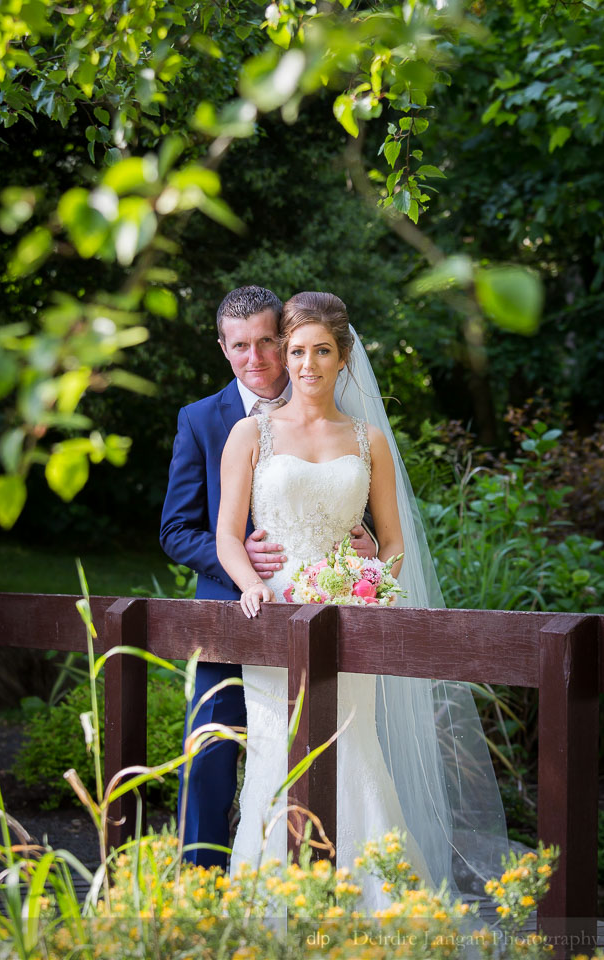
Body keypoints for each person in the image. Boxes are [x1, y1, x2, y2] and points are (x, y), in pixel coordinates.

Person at [216, 291, 508, 909]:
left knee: (355, 749)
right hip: (272, 623)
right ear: (284, 356)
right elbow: (225, 534)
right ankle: (270, 912)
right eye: (296, 351)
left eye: (322, 351)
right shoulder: (251, 434)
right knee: (275, 757)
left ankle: (373, 908)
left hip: (351, 623)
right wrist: (250, 584)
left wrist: (369, 585)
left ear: (344, 358)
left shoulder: (369, 440)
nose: (307, 364)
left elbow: (394, 544)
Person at [160, 285, 374, 869]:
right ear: (223, 348)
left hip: (321, 611)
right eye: (239, 347)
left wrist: (370, 545)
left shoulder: (330, 408)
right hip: (233, 614)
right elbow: (176, 529)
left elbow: (364, 511)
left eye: (265, 343)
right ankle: (199, 883)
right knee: (210, 751)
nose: (254, 359)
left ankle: (316, 873)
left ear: (284, 340)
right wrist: (239, 561)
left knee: (323, 747)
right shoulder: (202, 420)